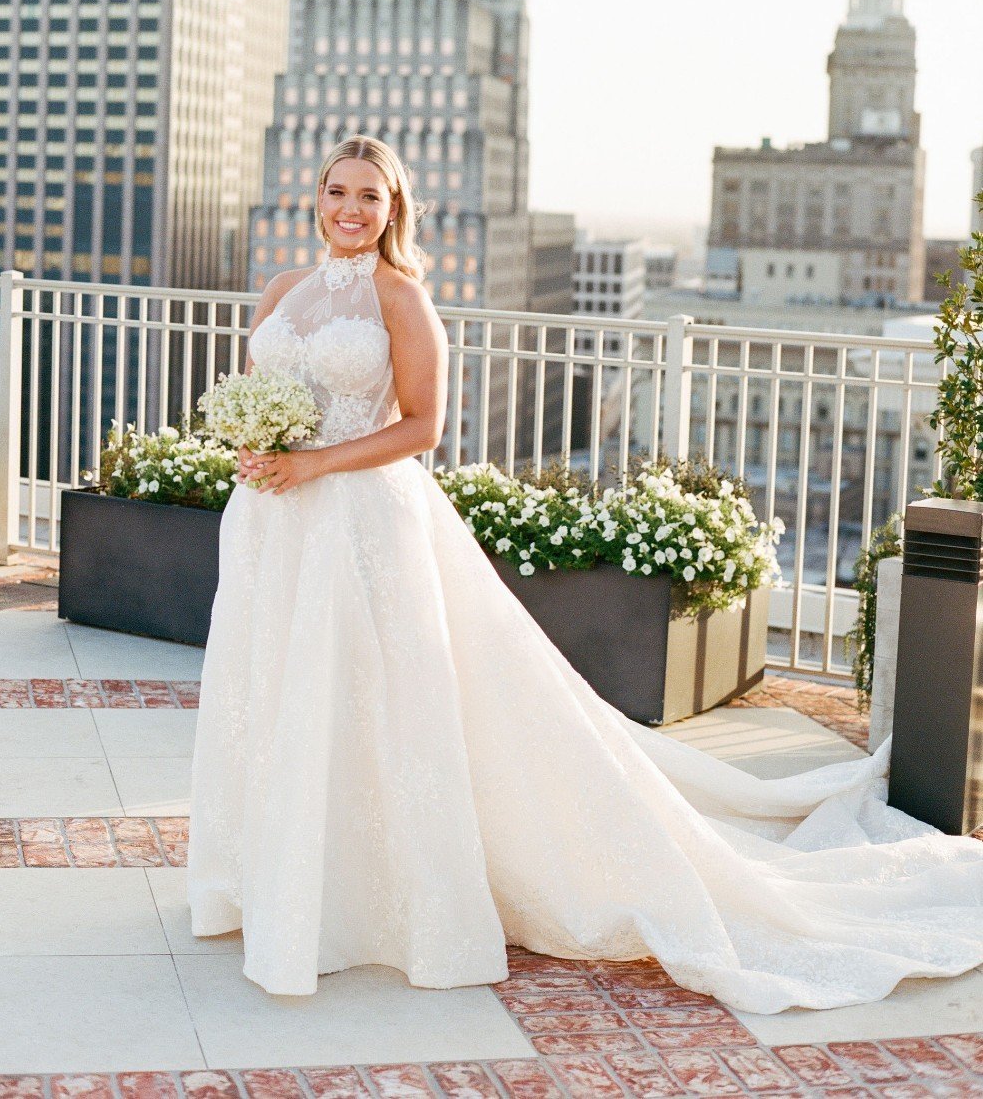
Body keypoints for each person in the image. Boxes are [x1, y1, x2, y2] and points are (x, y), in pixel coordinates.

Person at [186, 134, 983, 1013]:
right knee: (279, 690)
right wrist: (256, 451)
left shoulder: (400, 298)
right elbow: (260, 399)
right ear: (317, 197)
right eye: (337, 190)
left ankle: (369, 901)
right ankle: (281, 878)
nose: (350, 208)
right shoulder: (279, 293)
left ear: (394, 209)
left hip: (359, 522)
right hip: (271, 525)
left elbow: (422, 428)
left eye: (370, 196)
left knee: (374, 698)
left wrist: (316, 465)